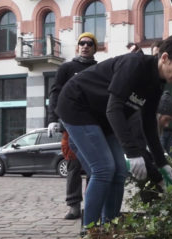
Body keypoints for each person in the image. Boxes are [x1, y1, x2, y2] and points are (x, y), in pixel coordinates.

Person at [55, 32, 172, 233]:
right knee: (104, 168)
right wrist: (132, 152)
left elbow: (148, 123)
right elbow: (114, 108)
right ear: (164, 58)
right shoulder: (134, 64)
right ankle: (89, 232)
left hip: (102, 118)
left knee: (119, 170)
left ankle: (110, 227)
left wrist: (162, 163)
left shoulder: (158, 83)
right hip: (76, 105)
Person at [47, 32, 98, 220]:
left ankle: (93, 203)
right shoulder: (66, 68)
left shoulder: (99, 69)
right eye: (82, 43)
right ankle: (74, 205)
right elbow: (55, 93)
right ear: (78, 46)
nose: (85, 46)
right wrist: (53, 117)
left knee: (95, 167)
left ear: (94, 47)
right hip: (71, 124)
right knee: (74, 166)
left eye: (89, 43)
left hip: (93, 124)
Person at [128, 91, 172, 191]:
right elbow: (141, 153)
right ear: (158, 114)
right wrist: (160, 181)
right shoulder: (139, 120)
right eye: (166, 119)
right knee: (107, 170)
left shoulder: (148, 120)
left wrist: (163, 164)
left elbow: (151, 150)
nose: (167, 125)